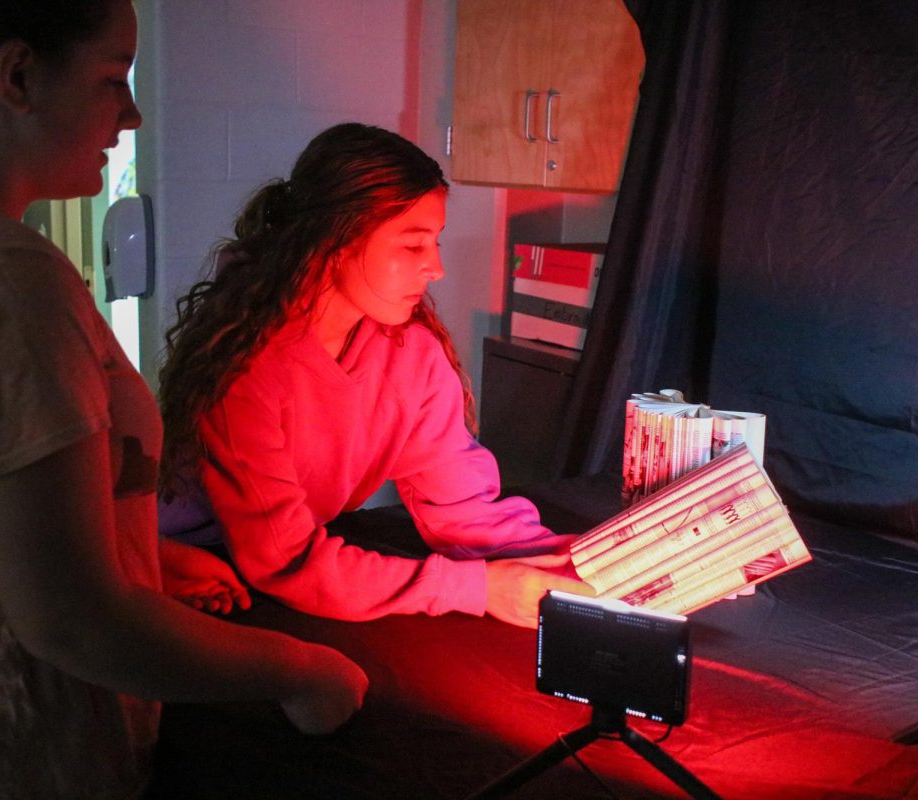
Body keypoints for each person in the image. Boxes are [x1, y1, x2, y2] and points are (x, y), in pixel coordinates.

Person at [0, 2, 366, 798]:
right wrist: (304, 670)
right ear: (19, 76)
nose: (130, 112)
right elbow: (74, 622)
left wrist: (134, 547)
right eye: (113, 79)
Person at [157, 123, 598, 629]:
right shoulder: (246, 368)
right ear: (333, 244)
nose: (437, 268)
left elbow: (461, 510)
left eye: (436, 242)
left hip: (273, 566)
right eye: (414, 246)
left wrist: (585, 565)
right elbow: (285, 560)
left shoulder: (411, 354)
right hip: (189, 558)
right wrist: (478, 588)